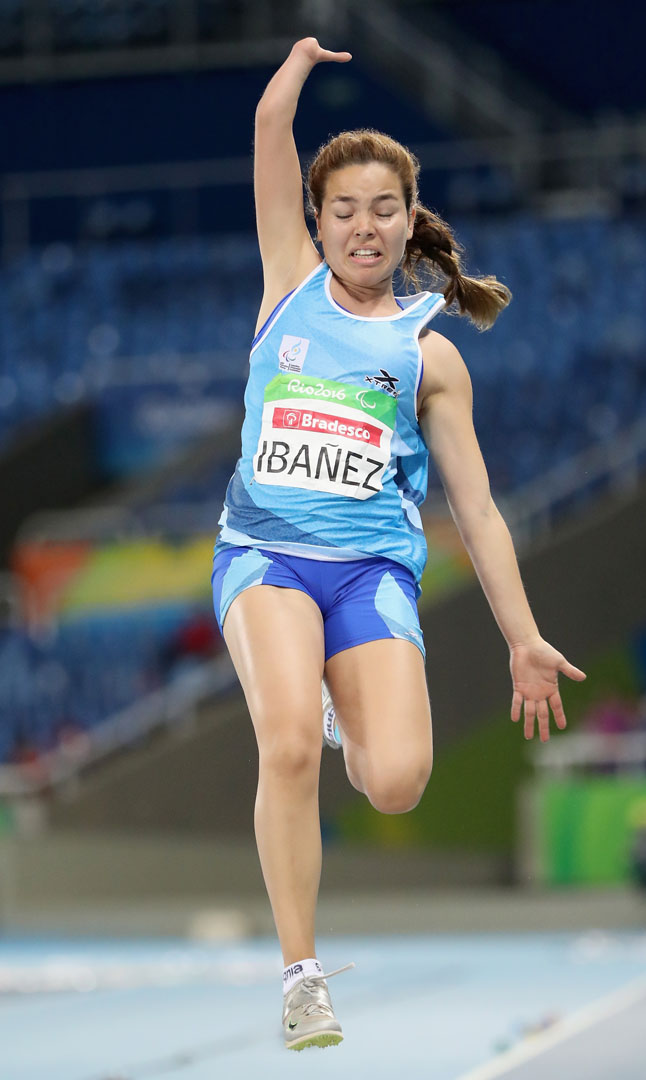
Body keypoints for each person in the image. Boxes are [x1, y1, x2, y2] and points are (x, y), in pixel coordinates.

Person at [210, 38, 587, 1052]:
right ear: (318, 225)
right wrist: (292, 70)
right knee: (284, 740)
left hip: (373, 574)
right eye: (343, 210)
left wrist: (523, 636)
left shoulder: (431, 354)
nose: (363, 226)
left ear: (408, 220)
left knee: (396, 782)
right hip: (266, 558)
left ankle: (341, 702)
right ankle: (301, 978)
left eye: (383, 209)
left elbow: (479, 509)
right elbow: (267, 136)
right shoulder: (286, 283)